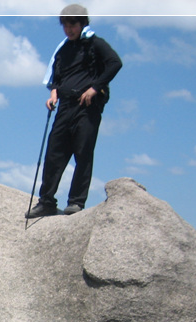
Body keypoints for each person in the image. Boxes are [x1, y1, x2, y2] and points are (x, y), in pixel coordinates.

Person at [26, 4, 122, 218]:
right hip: (65, 105)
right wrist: (53, 95)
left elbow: (115, 63)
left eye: (73, 25)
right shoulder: (63, 50)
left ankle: (76, 202)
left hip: (87, 107)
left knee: (83, 152)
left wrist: (95, 88)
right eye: (66, 25)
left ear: (82, 24)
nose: (69, 29)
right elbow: (56, 78)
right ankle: (47, 201)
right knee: (54, 153)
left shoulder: (95, 44)